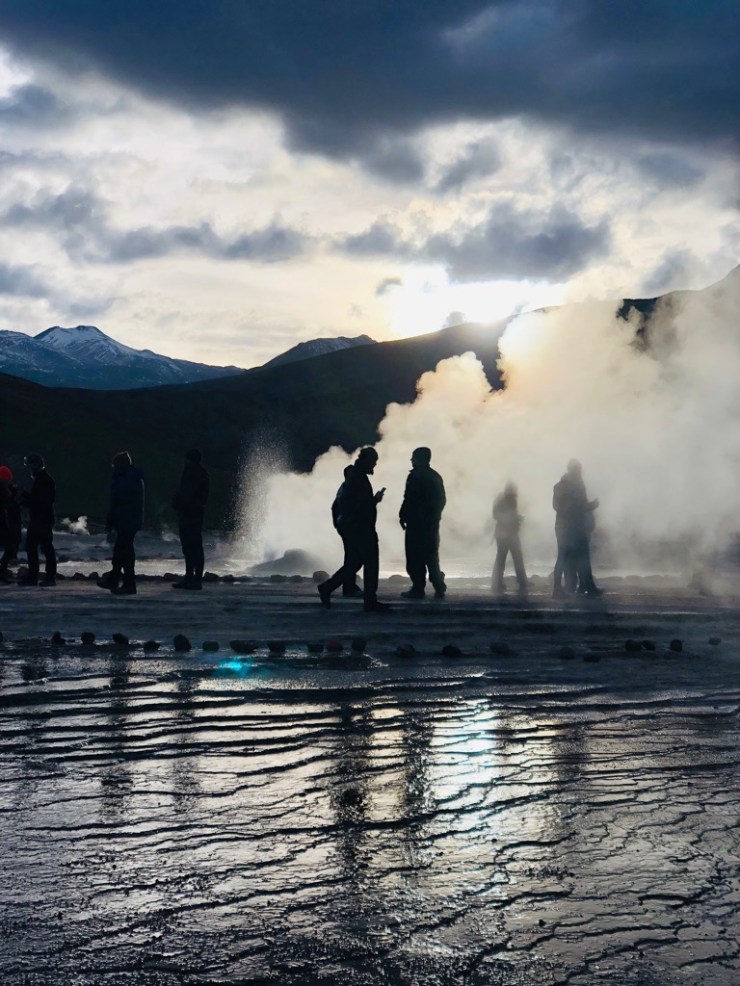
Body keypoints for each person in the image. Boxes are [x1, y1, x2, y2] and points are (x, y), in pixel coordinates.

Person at [318, 447, 391, 613]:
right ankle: (369, 601)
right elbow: (359, 506)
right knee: (370, 563)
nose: (374, 465)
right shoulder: (357, 479)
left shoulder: (355, 477)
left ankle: (328, 588)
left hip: (354, 527)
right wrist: (375, 501)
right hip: (360, 528)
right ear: (365, 460)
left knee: (354, 564)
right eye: (373, 462)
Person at [399, 447, 447, 599]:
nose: (411, 460)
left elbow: (409, 498)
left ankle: (418, 588)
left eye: (413, 457)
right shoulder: (435, 476)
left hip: (416, 524)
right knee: (431, 556)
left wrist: (403, 515)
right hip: (431, 524)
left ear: (420, 459)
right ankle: (439, 585)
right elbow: (442, 500)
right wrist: (434, 516)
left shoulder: (415, 476)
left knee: (414, 557)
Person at [552, 459, 601, 598]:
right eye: (578, 470)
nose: (580, 472)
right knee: (567, 557)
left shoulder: (566, 486)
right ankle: (560, 588)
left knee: (575, 556)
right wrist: (592, 505)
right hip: (569, 528)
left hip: (571, 527)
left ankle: (583, 585)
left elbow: (560, 506)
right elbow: (579, 506)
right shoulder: (569, 487)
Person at [98, 451, 145, 595]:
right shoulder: (132, 478)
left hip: (126, 520)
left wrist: (111, 521)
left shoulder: (125, 481)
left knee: (125, 552)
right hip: (130, 520)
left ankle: (128, 584)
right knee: (121, 550)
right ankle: (115, 579)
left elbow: (118, 503)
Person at [171, 448, 209, 590]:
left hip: (193, 515)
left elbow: (199, 497)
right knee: (188, 548)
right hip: (187, 514)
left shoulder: (198, 474)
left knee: (194, 547)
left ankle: (195, 579)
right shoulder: (191, 473)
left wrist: (183, 503)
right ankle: (189, 577)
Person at [19, 453, 57, 586]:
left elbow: (41, 502)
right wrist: (25, 497)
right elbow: (39, 500)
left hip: (42, 519)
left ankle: (46, 577)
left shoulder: (44, 480)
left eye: (30, 466)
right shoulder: (44, 479)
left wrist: (24, 499)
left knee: (42, 548)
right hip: (41, 519)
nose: (29, 469)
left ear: (36, 465)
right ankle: (40, 576)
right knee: (39, 547)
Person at [491, 482, 528, 599]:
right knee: (507, 558)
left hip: (509, 533)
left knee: (509, 558)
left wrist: (515, 519)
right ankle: (517, 582)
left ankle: (519, 582)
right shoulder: (504, 500)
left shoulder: (509, 500)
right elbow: (496, 515)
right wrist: (513, 519)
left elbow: (498, 515)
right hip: (506, 534)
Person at [331, 465, 362, 597]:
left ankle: (348, 585)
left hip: (346, 526)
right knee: (355, 559)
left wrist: (337, 524)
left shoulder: (344, 487)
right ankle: (339, 586)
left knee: (352, 557)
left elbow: (334, 507)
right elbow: (357, 507)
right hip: (351, 527)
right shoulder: (350, 488)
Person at [0, 465, 21, 583]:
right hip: (1, 524)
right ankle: (2, 573)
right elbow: (6, 504)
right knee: (10, 548)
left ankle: (2, 572)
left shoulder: (6, 490)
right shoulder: (3, 491)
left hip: (3, 523)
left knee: (10, 549)